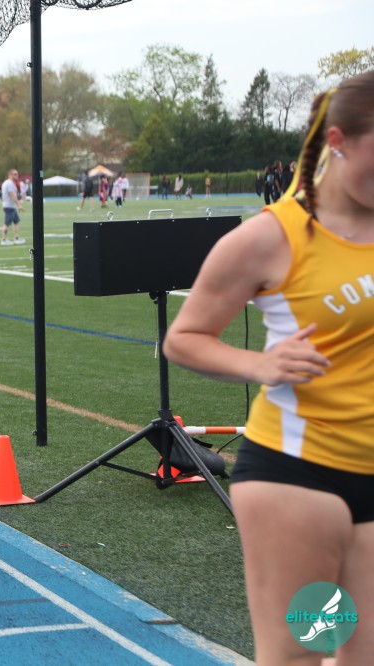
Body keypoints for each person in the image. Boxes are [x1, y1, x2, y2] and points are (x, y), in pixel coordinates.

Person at [162, 71, 374, 665]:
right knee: (303, 652)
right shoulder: (269, 237)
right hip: (299, 477)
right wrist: (264, 363)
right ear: (338, 142)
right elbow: (185, 339)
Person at [0, 168, 25, 245]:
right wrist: (19, 205)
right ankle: (4, 239)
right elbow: (13, 196)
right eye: (15, 174)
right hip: (9, 206)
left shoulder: (6, 183)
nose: (17, 176)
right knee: (7, 223)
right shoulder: (9, 183)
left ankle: (16, 238)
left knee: (16, 221)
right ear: (10, 175)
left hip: (9, 206)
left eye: (17, 174)